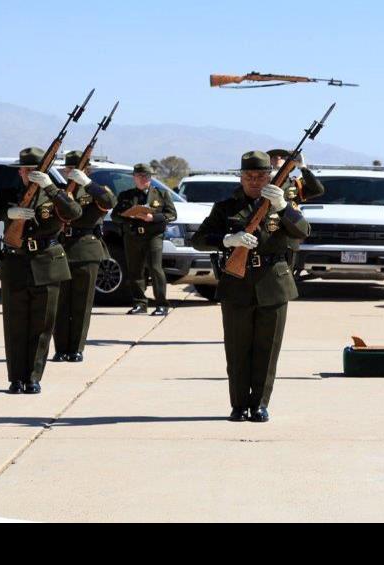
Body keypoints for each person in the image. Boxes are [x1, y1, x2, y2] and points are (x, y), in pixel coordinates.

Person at [192, 151, 316, 423]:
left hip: (273, 282)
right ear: (241, 176)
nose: (255, 181)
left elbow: (303, 231)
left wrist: (283, 206)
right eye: (249, 176)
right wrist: (227, 239)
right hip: (237, 283)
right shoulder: (226, 207)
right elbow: (199, 239)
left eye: (261, 176)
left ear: (269, 176)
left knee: (267, 349)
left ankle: (260, 404)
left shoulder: (279, 203)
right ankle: (238, 405)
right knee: (237, 350)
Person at [0, 147, 82, 394]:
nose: (28, 174)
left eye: (34, 170)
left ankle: (33, 377)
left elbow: (75, 213)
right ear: (19, 172)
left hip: (47, 264)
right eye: (25, 170)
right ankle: (16, 378)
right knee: (15, 324)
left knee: (42, 327)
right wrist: (5, 212)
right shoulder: (8, 194)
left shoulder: (57, 195)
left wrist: (50, 187)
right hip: (15, 264)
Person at [52, 151, 116, 363]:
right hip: (61, 249)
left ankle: (76, 348)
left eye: (76, 170)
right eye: (69, 170)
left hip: (86, 249)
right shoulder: (60, 191)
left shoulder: (97, 190)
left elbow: (109, 201)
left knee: (82, 303)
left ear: (86, 170)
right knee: (61, 304)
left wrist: (87, 183)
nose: (71, 173)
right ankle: (61, 348)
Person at [111, 163, 177, 316]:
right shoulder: (126, 196)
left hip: (153, 236)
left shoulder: (161, 194)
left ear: (150, 178)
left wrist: (153, 217)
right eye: (139, 176)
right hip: (133, 236)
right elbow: (115, 216)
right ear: (134, 178)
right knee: (135, 270)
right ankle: (140, 303)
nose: (143, 179)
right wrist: (129, 216)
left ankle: (162, 304)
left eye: (146, 176)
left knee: (155, 268)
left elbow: (172, 215)